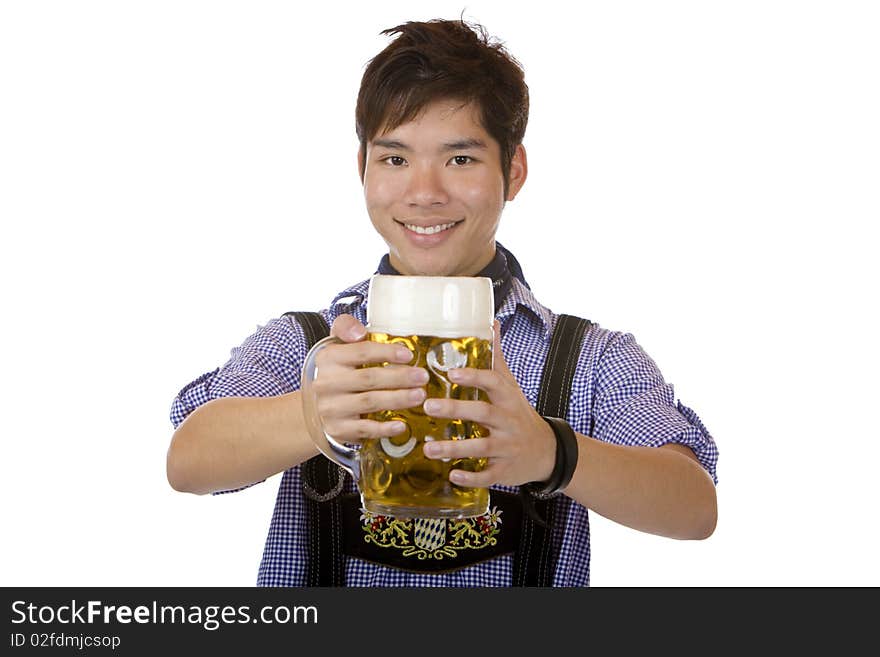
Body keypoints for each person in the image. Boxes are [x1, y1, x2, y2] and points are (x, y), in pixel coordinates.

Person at [167, 18, 718, 587]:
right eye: (395, 159)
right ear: (363, 170)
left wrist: (553, 452)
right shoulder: (312, 342)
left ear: (514, 171)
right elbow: (187, 462)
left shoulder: (587, 359)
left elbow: (694, 507)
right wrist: (312, 414)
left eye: (460, 159)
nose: (424, 193)